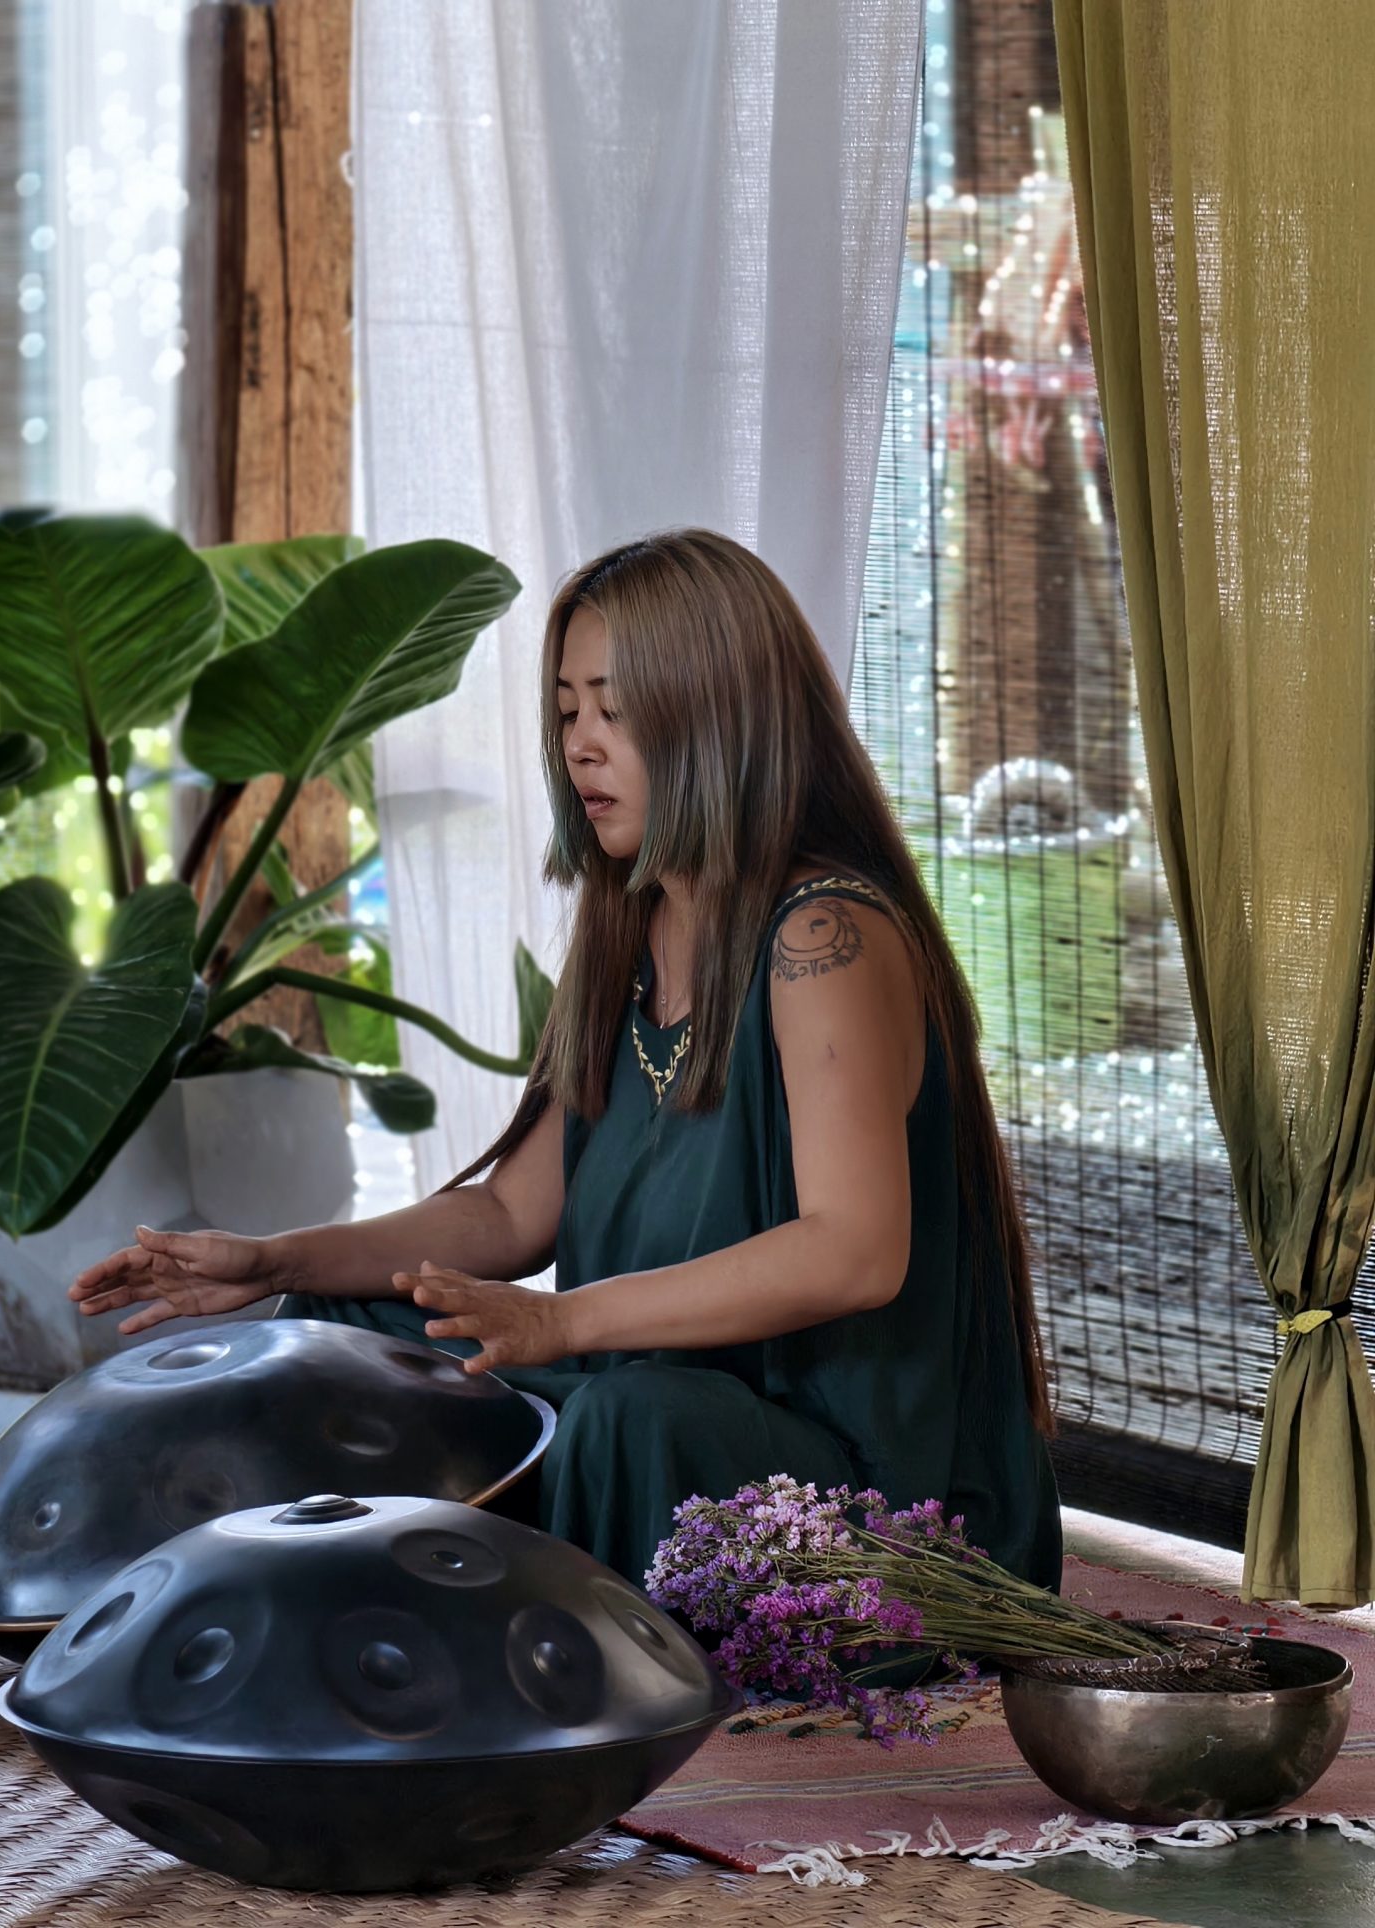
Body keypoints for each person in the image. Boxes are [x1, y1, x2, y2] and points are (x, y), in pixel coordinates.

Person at [70, 529, 1062, 1591]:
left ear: (721, 717)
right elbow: (511, 1214)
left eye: (614, 711)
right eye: (565, 711)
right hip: (645, 1402)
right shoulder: (627, 928)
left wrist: (562, 1320)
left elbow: (854, 1253)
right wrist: (276, 1262)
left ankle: (520, 1638)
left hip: (851, 1486)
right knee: (340, 1335)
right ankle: (315, 1621)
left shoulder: (827, 937)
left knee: (630, 1419)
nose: (580, 746)